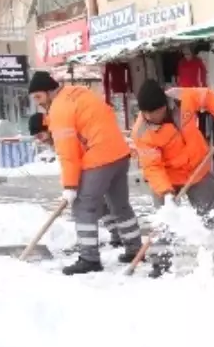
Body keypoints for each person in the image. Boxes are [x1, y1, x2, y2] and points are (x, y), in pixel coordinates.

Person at [28, 71, 143, 275]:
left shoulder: (59, 109)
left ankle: (89, 258)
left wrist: (70, 186)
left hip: (99, 156)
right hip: (119, 153)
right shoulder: (79, 91)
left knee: (83, 206)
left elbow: (68, 153)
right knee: (120, 206)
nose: (38, 103)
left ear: (48, 91)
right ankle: (135, 249)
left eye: (38, 97)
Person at [132, 80, 214, 277]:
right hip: (168, 178)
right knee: (163, 221)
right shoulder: (142, 131)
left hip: (198, 170)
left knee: (209, 215)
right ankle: (160, 264)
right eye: (145, 113)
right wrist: (166, 193)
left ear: (165, 105)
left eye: (153, 112)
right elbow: (152, 167)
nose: (149, 117)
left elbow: (207, 96)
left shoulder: (183, 98)